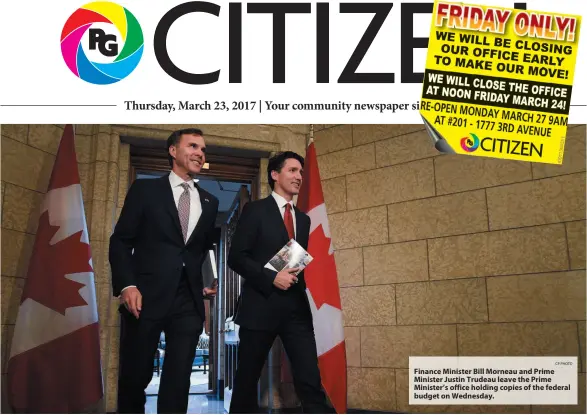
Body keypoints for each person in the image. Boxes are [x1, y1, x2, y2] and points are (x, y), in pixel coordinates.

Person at [109, 128, 219, 413]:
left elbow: (199, 250)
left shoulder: (210, 202)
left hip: (188, 301)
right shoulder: (146, 191)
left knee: (179, 378)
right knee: (136, 375)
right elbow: (121, 241)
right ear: (173, 151)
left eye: (203, 149)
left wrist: (204, 284)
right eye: (193, 146)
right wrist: (127, 285)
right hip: (145, 297)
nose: (200, 153)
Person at [227, 151, 333, 414]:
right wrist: (271, 277)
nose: (299, 177)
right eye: (293, 171)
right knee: (247, 378)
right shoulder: (254, 210)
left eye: (301, 172)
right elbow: (236, 258)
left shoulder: (304, 220)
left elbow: (293, 260)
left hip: (295, 310)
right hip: (259, 306)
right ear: (275, 175)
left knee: (309, 377)